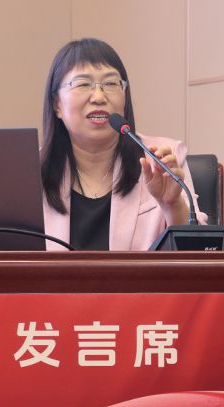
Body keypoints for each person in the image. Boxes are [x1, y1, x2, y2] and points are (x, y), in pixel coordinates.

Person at [41, 38, 207, 251]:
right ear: (57, 104)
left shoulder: (160, 159)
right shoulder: (29, 173)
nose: (99, 97)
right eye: (83, 84)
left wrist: (173, 206)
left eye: (111, 84)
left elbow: (200, 255)